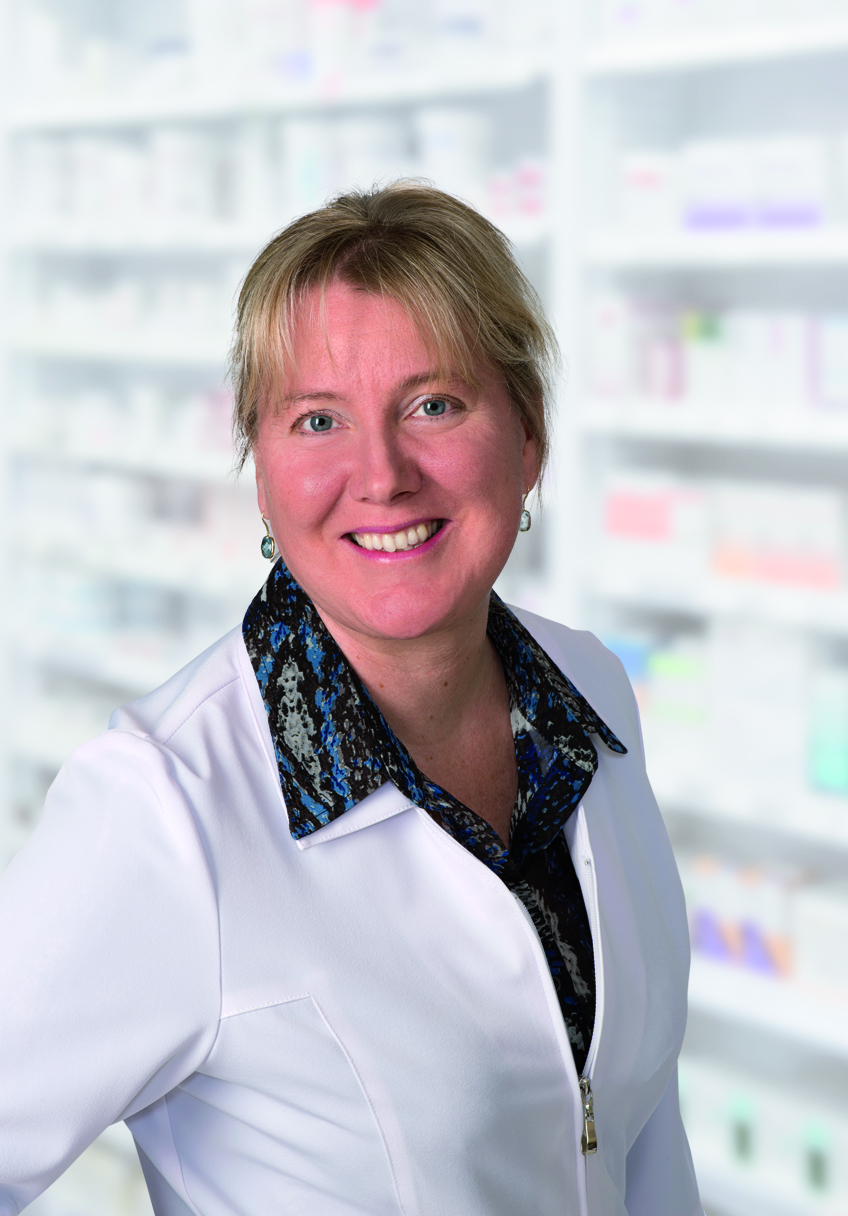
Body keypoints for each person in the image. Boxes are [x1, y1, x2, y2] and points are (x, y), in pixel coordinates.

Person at [0, 183, 701, 1216]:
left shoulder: (588, 697)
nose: (381, 475)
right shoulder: (163, 807)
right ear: (261, 472)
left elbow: (633, 1128)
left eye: (434, 405)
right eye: (318, 419)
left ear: (528, 437)